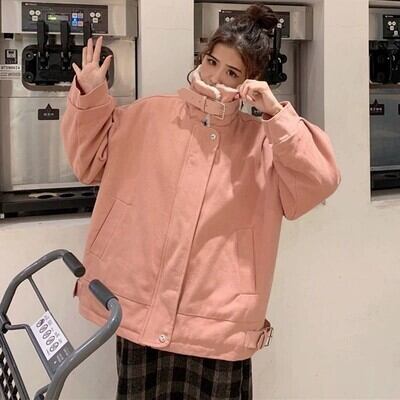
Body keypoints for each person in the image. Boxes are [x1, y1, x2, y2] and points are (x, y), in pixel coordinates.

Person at [60, 3, 341, 399]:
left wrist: (276, 114)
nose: (215, 77)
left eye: (232, 72)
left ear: (250, 82)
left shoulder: (264, 142)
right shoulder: (149, 114)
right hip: (140, 306)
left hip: (217, 321)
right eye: (211, 62)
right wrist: (91, 95)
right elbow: (88, 161)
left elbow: (319, 181)